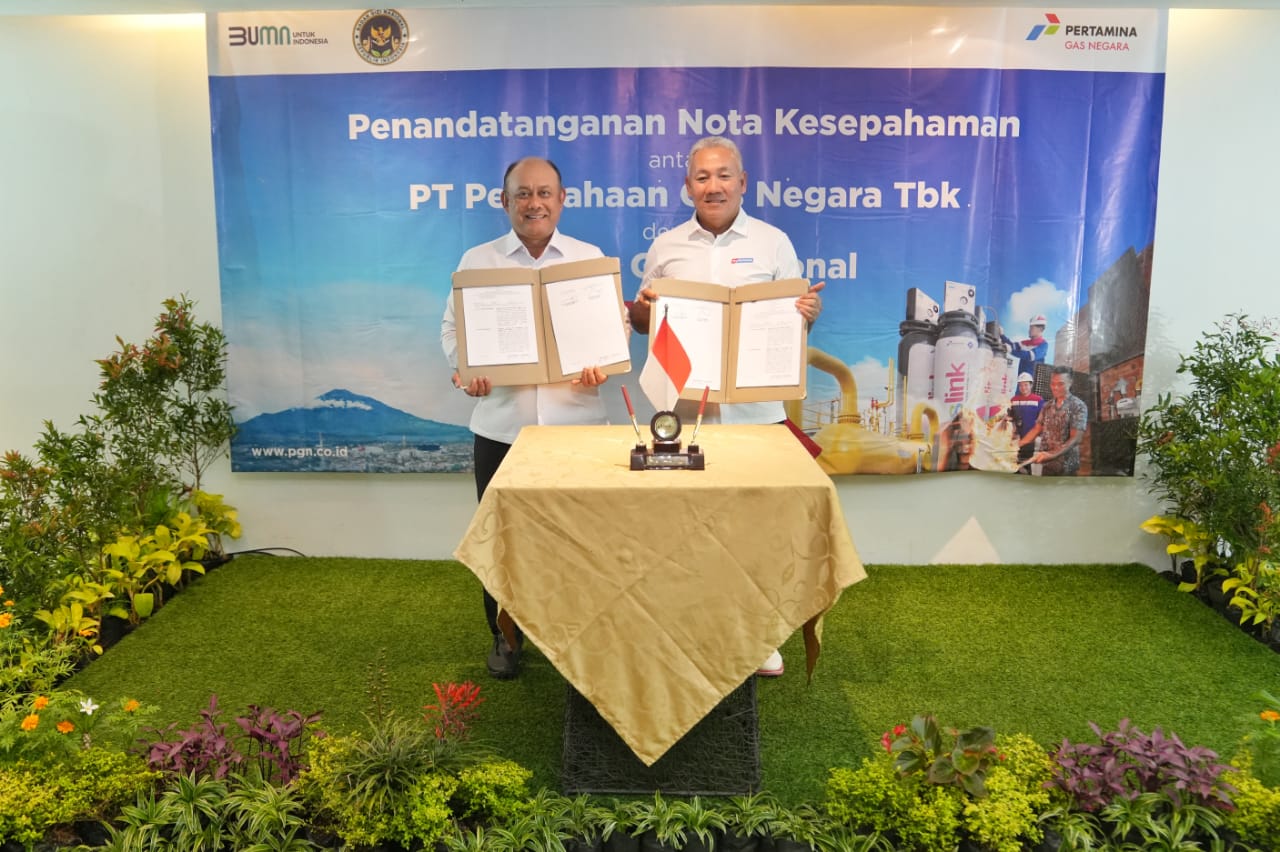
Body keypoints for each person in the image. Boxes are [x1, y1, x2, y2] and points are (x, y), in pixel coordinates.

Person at [628, 135, 823, 677]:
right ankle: (686, 629)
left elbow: (795, 322)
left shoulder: (773, 243)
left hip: (756, 413)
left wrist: (807, 313)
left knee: (756, 527)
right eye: (702, 177)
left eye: (723, 176)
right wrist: (644, 308)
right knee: (685, 526)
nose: (712, 186)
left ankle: (757, 636)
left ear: (743, 183)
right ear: (687, 186)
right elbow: (643, 322)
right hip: (685, 411)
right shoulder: (666, 247)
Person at [441, 156, 622, 680]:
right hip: (501, 428)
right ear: (505, 202)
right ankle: (505, 636)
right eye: (523, 194)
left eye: (545, 193)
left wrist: (602, 365)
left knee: (580, 539)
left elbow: (612, 330)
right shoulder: (478, 261)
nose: (534, 203)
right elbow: (452, 330)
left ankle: (577, 639)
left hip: (577, 430)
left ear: (562, 200)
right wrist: (466, 369)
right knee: (502, 541)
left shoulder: (589, 260)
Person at [1019, 365, 1087, 476]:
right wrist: (1017, 445)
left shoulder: (1078, 406)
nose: (1055, 387)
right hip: (1047, 465)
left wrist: (1052, 455)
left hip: (1066, 466)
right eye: (1052, 384)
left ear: (1070, 382)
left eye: (1060, 384)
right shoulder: (1047, 406)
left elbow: (1076, 438)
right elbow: (1036, 429)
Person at [1007, 372, 1044, 473]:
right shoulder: (1013, 400)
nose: (1023, 388)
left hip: (1030, 439)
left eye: (1026, 385)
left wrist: (1036, 435)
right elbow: (1010, 417)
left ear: (1031, 385)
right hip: (1015, 438)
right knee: (1013, 463)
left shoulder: (1038, 400)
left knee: (1026, 463)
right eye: (1021, 385)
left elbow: (1041, 421)